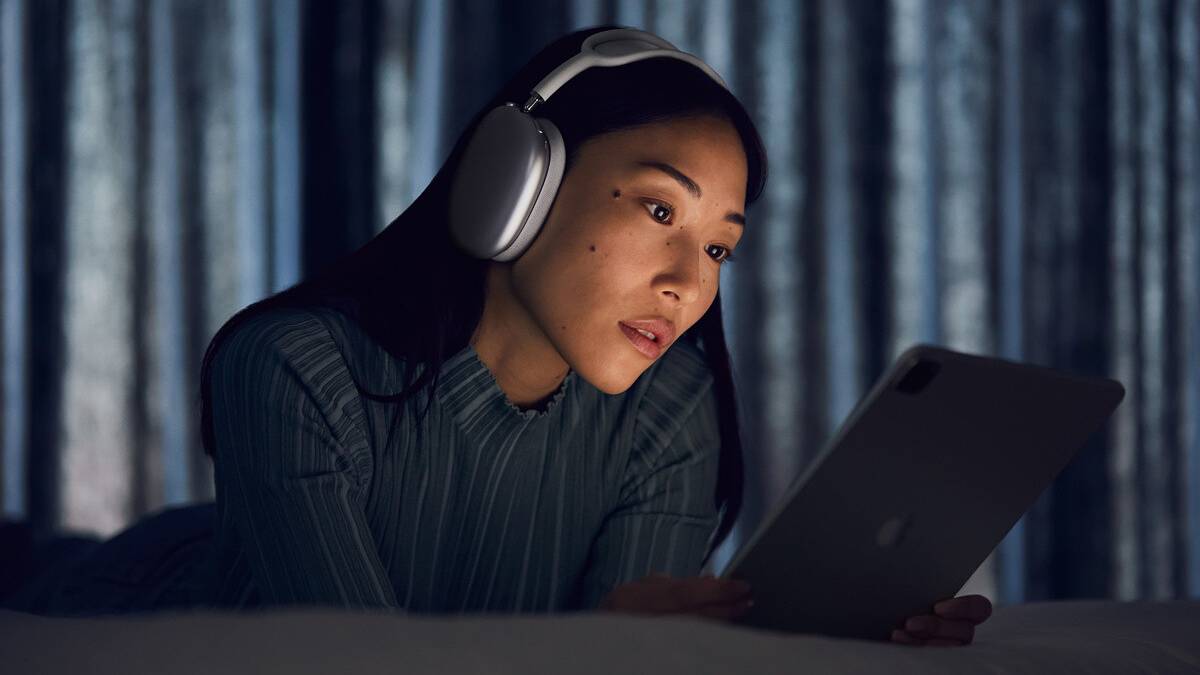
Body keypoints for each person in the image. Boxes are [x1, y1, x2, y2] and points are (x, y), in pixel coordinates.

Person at [6, 25, 991, 646]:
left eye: (720, 250)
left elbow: (631, 641)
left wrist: (835, 640)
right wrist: (596, 643)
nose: (690, 285)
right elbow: (360, 658)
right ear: (514, 183)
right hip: (120, 587)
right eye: (658, 213)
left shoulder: (671, 408)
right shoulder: (293, 368)